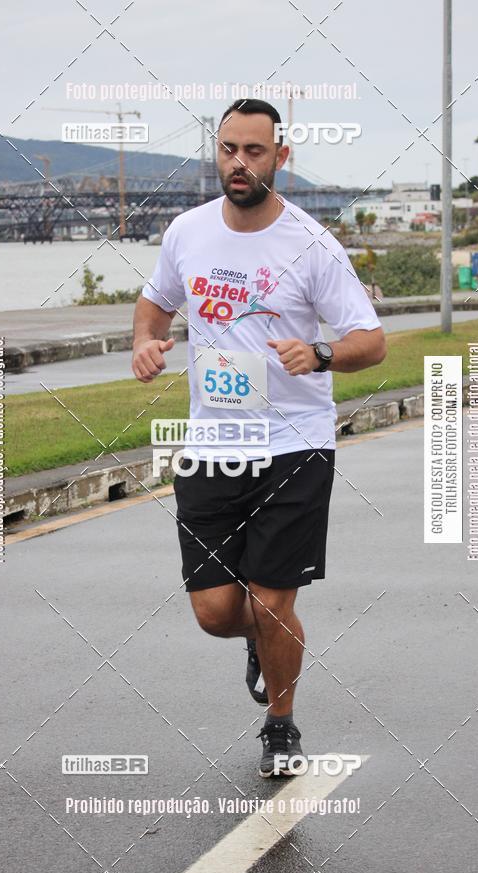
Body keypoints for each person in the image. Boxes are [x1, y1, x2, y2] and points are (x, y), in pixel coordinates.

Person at [132, 99, 386, 778]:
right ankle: (261, 643)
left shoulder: (312, 244)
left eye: (253, 151)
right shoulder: (186, 232)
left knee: (272, 602)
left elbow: (371, 341)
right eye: (227, 150)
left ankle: (280, 724)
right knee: (218, 612)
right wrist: (145, 342)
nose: (238, 163)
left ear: (281, 156)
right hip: (213, 446)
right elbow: (156, 300)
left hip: (294, 445)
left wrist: (322, 355)